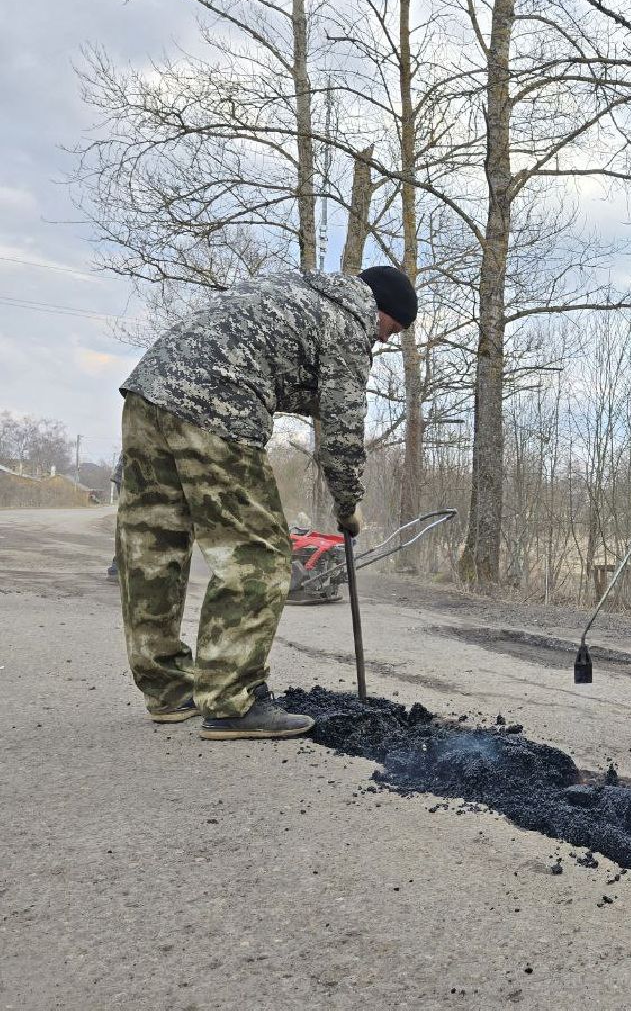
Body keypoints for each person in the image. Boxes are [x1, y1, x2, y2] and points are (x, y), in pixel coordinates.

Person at [116, 265, 416, 740]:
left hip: (146, 395)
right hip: (215, 407)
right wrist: (348, 504)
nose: (383, 340)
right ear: (379, 309)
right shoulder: (349, 322)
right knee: (259, 554)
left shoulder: (295, 290)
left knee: (153, 549)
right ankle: (233, 700)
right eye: (391, 329)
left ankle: (169, 691)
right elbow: (340, 429)